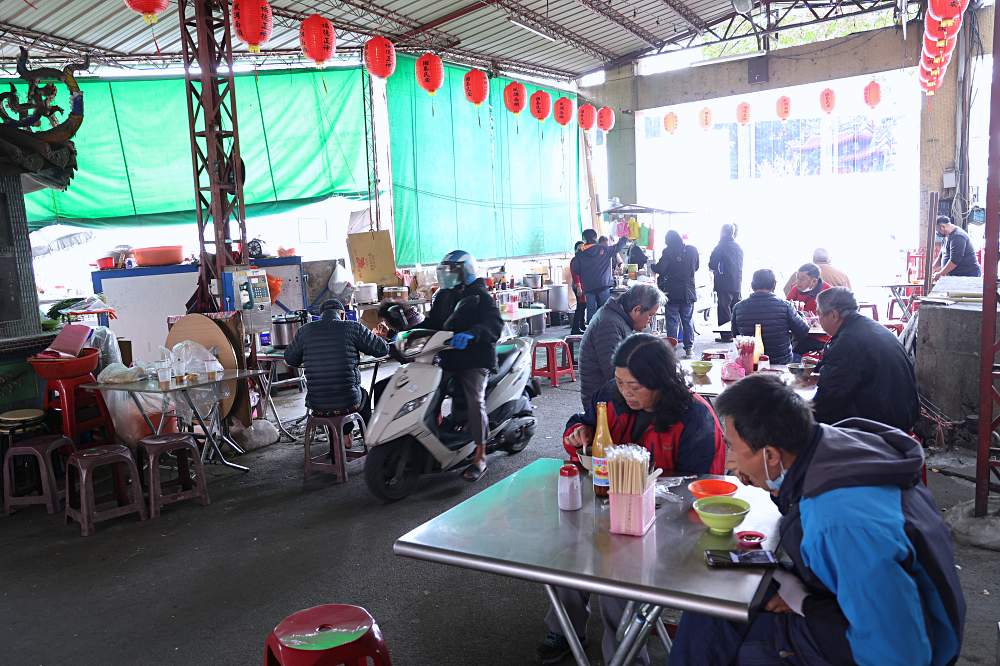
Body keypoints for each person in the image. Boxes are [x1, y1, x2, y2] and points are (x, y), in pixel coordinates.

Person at [670, 374, 965, 666]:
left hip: (904, 647)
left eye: (732, 447)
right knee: (716, 603)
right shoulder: (831, 445)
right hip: (881, 606)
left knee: (736, 641)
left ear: (771, 455)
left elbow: (898, 653)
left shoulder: (841, 523)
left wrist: (808, 607)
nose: (730, 461)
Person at [540, 335, 726, 665]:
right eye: (621, 381)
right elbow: (583, 425)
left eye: (635, 385)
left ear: (662, 381)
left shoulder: (695, 418)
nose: (626, 391)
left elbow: (703, 489)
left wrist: (647, 494)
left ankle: (626, 658)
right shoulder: (610, 399)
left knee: (617, 582)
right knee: (565, 553)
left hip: (671, 523)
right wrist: (577, 433)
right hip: (609, 509)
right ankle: (565, 628)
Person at [423, 250, 503, 482]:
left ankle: (480, 455)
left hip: (475, 359)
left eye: (452, 270)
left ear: (465, 271)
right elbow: (432, 323)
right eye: (445, 271)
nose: (447, 275)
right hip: (448, 357)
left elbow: (495, 325)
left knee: (473, 400)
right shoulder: (443, 296)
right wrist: (408, 331)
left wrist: (471, 334)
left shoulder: (480, 295)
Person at [813, 287, 919, 431]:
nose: (818, 319)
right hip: (903, 412)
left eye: (819, 314)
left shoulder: (848, 341)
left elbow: (829, 397)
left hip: (885, 423)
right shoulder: (866, 326)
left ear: (833, 315)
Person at [283, 298, 389, 425]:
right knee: (361, 396)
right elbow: (382, 349)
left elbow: (290, 359)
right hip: (348, 401)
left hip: (317, 403)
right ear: (342, 315)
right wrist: (380, 337)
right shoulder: (352, 327)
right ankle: (368, 439)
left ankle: (341, 437)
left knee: (340, 401)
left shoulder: (304, 331)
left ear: (320, 316)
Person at [577, 283, 664, 408]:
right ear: (637, 310)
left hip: (617, 394)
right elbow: (614, 374)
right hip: (603, 402)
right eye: (650, 315)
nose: (650, 321)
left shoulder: (618, 318)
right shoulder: (608, 324)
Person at [731, 269, 809, 365]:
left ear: (752, 285)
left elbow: (736, 336)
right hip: (782, 362)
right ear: (774, 285)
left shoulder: (738, 307)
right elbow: (803, 331)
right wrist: (800, 313)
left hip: (751, 363)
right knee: (800, 356)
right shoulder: (786, 306)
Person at [651, 230, 699, 357]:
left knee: (672, 320)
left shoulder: (668, 252)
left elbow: (661, 269)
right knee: (687, 320)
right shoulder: (692, 250)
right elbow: (696, 267)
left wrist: (653, 267)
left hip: (672, 292)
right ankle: (689, 349)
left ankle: (671, 350)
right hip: (688, 292)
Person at [576, 229, 626, 322]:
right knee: (605, 309)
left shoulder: (580, 253)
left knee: (591, 310)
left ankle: (591, 331)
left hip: (588, 286)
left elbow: (576, 270)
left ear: (584, 239)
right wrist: (624, 237)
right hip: (603, 285)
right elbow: (618, 247)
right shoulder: (603, 249)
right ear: (595, 238)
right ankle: (605, 330)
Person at [708, 223, 743, 326]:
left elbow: (712, 264)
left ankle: (727, 334)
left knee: (724, 308)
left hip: (724, 282)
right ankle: (736, 332)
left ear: (722, 232)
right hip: (737, 282)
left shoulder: (720, 246)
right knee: (736, 307)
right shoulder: (738, 247)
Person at [783, 249, 851, 295]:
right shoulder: (842, 275)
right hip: (832, 314)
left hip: (804, 313)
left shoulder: (799, 274)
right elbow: (849, 298)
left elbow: (786, 291)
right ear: (829, 260)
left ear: (813, 258)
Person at [934, 214, 982, 279]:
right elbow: (941, 256)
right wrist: (932, 268)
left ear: (942, 227)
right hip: (956, 275)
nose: (937, 233)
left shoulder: (958, 236)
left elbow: (954, 261)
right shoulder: (946, 236)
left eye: (937, 231)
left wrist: (940, 274)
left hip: (967, 275)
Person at [569, 241, 588, 336]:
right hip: (578, 286)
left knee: (583, 306)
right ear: (576, 250)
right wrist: (579, 287)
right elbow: (575, 275)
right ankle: (575, 328)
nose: (582, 249)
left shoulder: (583, 259)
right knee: (580, 307)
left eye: (583, 247)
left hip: (583, 286)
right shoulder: (575, 260)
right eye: (580, 248)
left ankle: (582, 326)